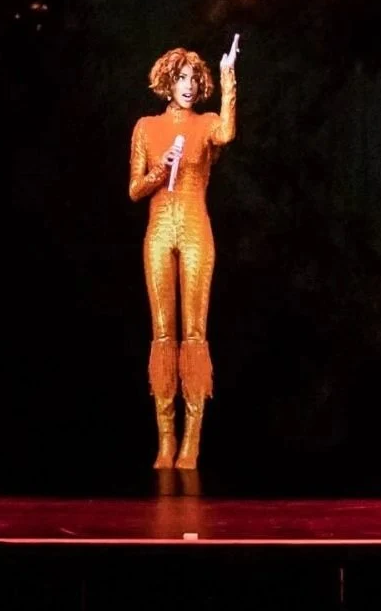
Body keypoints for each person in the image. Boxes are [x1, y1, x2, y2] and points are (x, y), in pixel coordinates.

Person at [128, 35, 240, 469]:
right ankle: (165, 440)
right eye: (181, 78)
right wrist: (161, 169)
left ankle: (192, 441)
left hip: (195, 228)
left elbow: (227, 132)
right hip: (159, 231)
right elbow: (135, 189)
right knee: (162, 334)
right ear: (167, 83)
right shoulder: (146, 127)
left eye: (194, 78)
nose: (189, 85)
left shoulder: (206, 123)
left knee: (194, 333)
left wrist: (229, 81)